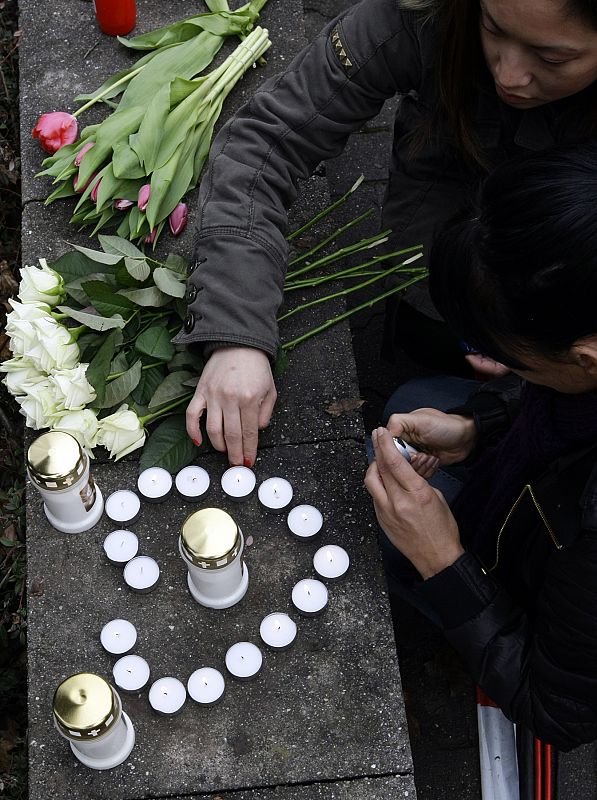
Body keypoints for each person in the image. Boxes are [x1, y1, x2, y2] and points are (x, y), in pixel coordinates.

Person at [174, 0, 597, 466]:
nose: (510, 76)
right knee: (425, 318)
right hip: (449, 167)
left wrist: (525, 371)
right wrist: (237, 330)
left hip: (572, 252)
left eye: (552, 59)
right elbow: (267, 143)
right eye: (492, 28)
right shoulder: (421, 13)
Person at [364, 142, 597, 749]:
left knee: (390, 543)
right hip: (538, 505)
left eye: (505, 354)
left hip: (551, 596)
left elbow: (556, 711)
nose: (490, 360)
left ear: (586, 358)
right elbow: (552, 402)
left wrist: (442, 559)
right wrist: (480, 426)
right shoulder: (580, 353)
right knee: (411, 401)